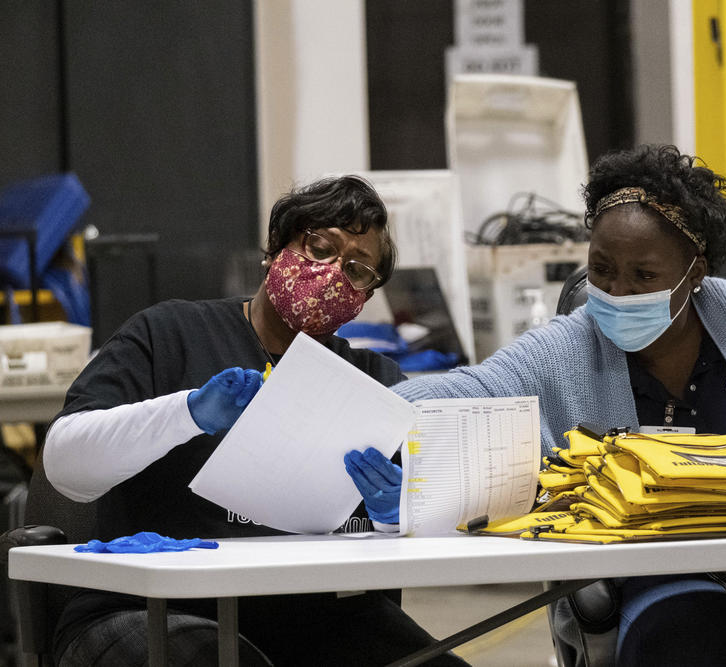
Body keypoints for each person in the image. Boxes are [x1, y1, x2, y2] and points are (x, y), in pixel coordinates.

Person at [346, 145, 726, 666]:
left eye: (644, 276)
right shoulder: (568, 346)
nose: (617, 292)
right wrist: (344, 408)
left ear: (695, 270)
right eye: (601, 270)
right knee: (697, 648)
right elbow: (462, 390)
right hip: (666, 579)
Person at [43, 176, 466, 666]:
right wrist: (187, 413)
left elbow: (440, 522)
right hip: (152, 608)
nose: (332, 273)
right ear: (275, 248)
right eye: (320, 246)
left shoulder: (375, 383)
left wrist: (404, 513)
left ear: (365, 299)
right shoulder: (169, 333)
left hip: (319, 616)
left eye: (356, 270)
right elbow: (65, 466)